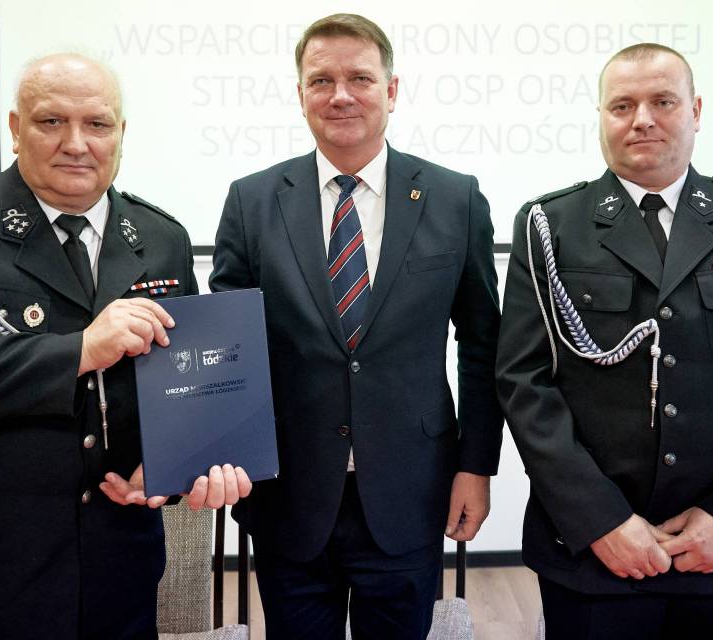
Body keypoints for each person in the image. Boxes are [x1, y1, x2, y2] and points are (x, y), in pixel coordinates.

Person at [0, 53, 248, 639]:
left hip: (117, 571)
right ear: (15, 127)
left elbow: (181, 387)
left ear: (121, 134)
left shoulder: (161, 237)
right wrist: (78, 351)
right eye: (51, 121)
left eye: (97, 124)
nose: (76, 143)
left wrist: (181, 462)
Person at [496, 43, 713, 640]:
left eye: (663, 101)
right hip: (596, 555)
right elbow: (524, 383)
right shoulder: (549, 224)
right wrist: (600, 521)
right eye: (622, 105)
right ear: (601, 116)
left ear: (695, 110)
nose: (642, 119)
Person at [210, 13, 503, 639]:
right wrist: (219, 455)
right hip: (288, 493)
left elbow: (483, 346)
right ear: (301, 95)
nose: (340, 95)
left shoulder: (455, 198)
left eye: (360, 79)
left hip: (410, 490)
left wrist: (476, 466)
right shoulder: (251, 201)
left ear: (391, 91)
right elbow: (228, 350)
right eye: (321, 81)